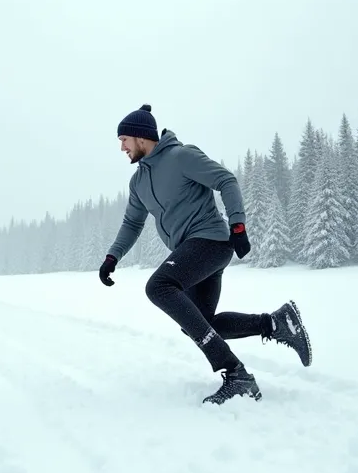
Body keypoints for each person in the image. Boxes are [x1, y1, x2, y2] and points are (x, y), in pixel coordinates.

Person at [98, 104, 313, 405]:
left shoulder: (181, 156)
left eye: (124, 140)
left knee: (159, 287)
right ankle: (277, 323)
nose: (122, 147)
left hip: (210, 240)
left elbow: (226, 180)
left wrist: (238, 225)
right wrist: (113, 257)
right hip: (190, 249)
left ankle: (236, 374)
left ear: (141, 136)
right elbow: (132, 223)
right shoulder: (138, 182)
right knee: (199, 323)